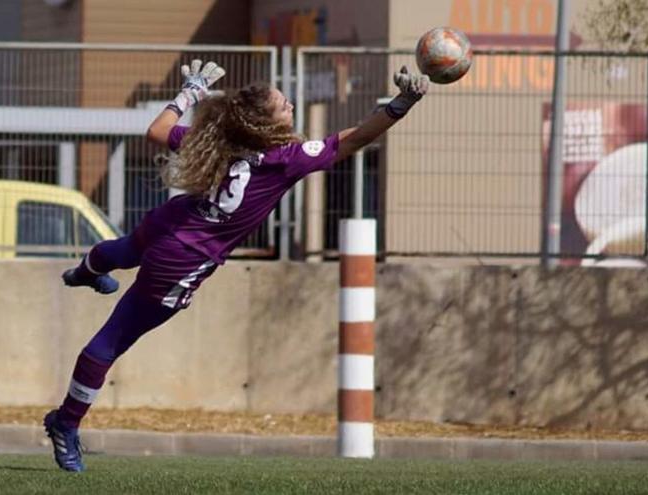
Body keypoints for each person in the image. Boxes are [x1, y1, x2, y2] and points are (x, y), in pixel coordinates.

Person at [43, 59, 429, 472]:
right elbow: (351, 141)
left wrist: (191, 89)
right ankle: (65, 422)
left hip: (172, 220)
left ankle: (84, 272)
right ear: (264, 124)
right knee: (112, 341)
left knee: (124, 251)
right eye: (284, 105)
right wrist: (400, 105)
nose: (291, 107)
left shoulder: (217, 141)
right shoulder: (286, 159)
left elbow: (155, 131)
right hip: (184, 259)